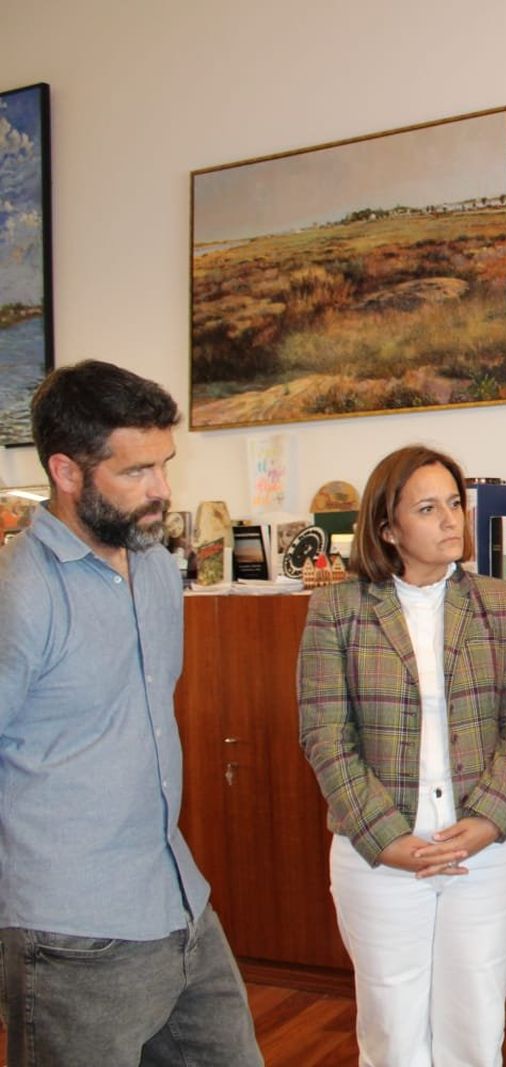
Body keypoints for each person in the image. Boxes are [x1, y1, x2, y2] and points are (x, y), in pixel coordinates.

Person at [0, 360, 262, 1065]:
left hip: (176, 898)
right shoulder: (21, 593)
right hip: (71, 932)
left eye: (165, 465)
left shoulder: (149, 563)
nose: (162, 491)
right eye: (137, 471)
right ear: (66, 470)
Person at [298, 444, 506, 1066]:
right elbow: (325, 734)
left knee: (475, 1020)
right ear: (388, 528)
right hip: (379, 854)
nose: (451, 520)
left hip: (481, 850)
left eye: (454, 504)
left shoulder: (497, 602)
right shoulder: (339, 609)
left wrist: (488, 820)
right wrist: (385, 838)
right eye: (429, 508)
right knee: (393, 1027)